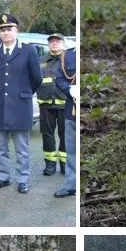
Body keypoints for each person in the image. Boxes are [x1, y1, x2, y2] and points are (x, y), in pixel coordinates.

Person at [0, 14, 43, 193]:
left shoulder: (29, 51)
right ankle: (3, 176)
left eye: (9, 29)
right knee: (0, 148)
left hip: (20, 106)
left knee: (22, 149)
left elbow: (37, 78)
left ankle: (23, 179)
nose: (5, 33)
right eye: (2, 30)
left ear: (17, 30)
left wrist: (25, 93)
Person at [36, 33, 70, 176]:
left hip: (65, 104)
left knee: (65, 135)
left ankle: (64, 165)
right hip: (46, 104)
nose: (54, 43)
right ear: (48, 44)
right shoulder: (41, 61)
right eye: (51, 42)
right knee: (47, 135)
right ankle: (50, 165)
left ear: (63, 44)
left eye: (57, 41)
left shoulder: (68, 60)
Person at [54, 39, 78, 198]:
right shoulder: (67, 55)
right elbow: (59, 78)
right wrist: (69, 89)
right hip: (72, 110)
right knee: (72, 150)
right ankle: (71, 185)